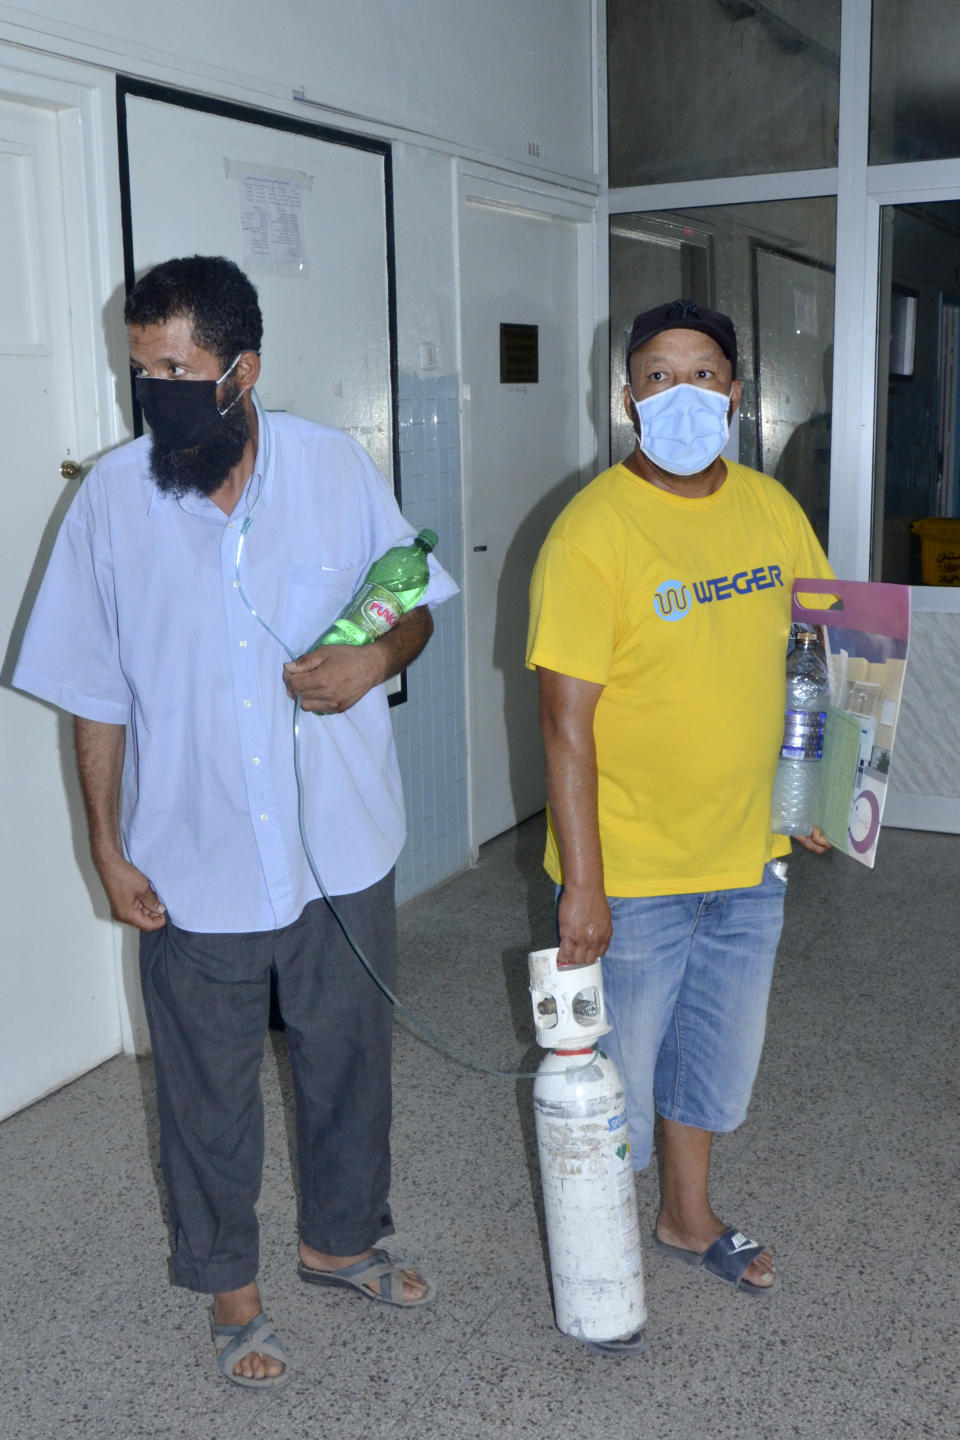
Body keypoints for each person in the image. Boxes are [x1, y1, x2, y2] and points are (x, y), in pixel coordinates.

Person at [13, 255, 458, 1389]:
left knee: (349, 1063)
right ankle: (231, 1288)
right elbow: (92, 692)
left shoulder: (333, 469)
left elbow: (411, 611)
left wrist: (372, 661)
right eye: (141, 368)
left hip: (341, 843)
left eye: (180, 368)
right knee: (204, 1087)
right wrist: (106, 849)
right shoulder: (110, 499)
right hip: (190, 855)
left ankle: (340, 1242)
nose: (156, 389)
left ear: (243, 372)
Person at [526, 298, 832, 1301]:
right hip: (633, 870)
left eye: (703, 374)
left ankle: (684, 1214)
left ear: (735, 396)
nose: (682, 393)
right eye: (659, 377)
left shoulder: (772, 509)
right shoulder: (591, 532)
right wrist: (584, 885)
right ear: (627, 401)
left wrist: (828, 784)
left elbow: (822, 649)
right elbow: (565, 725)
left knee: (713, 1060)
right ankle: (599, 1262)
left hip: (748, 855)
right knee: (608, 1083)